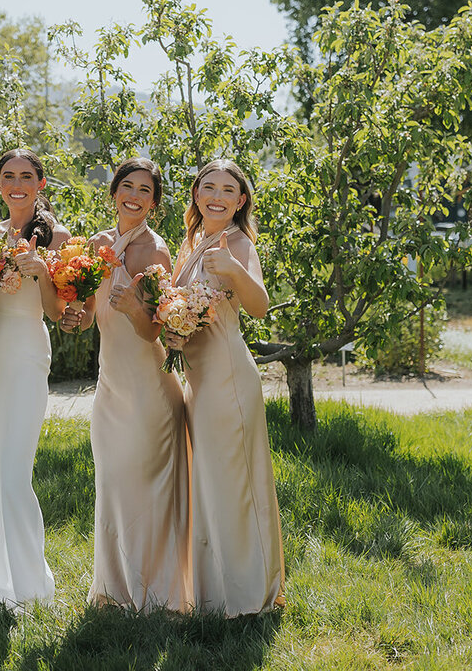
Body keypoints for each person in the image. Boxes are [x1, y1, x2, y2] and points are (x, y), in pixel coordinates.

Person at [61, 157, 193, 611]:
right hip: (109, 382)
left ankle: (155, 592)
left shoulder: (155, 251)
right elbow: (81, 316)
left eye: (144, 190)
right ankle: (114, 590)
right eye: (127, 186)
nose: (133, 196)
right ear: (114, 191)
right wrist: (73, 316)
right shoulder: (97, 244)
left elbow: (155, 331)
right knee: (113, 484)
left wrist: (134, 309)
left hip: (146, 385)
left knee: (145, 486)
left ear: (154, 203)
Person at [170, 158, 285, 616]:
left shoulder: (237, 242)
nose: (216, 196)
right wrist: (173, 330)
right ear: (197, 194)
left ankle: (246, 593)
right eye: (208, 187)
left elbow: (259, 306)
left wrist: (236, 270)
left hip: (228, 378)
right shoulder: (193, 241)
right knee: (212, 482)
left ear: (240, 201)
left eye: (227, 190)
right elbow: (184, 305)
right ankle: (214, 591)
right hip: (198, 376)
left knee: (235, 483)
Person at [0, 147, 69, 607]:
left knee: (15, 470)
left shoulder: (57, 235)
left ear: (40, 184)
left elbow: (56, 311)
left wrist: (41, 270)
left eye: (27, 176)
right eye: (9, 176)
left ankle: (31, 585)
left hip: (26, 351)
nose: (18, 183)